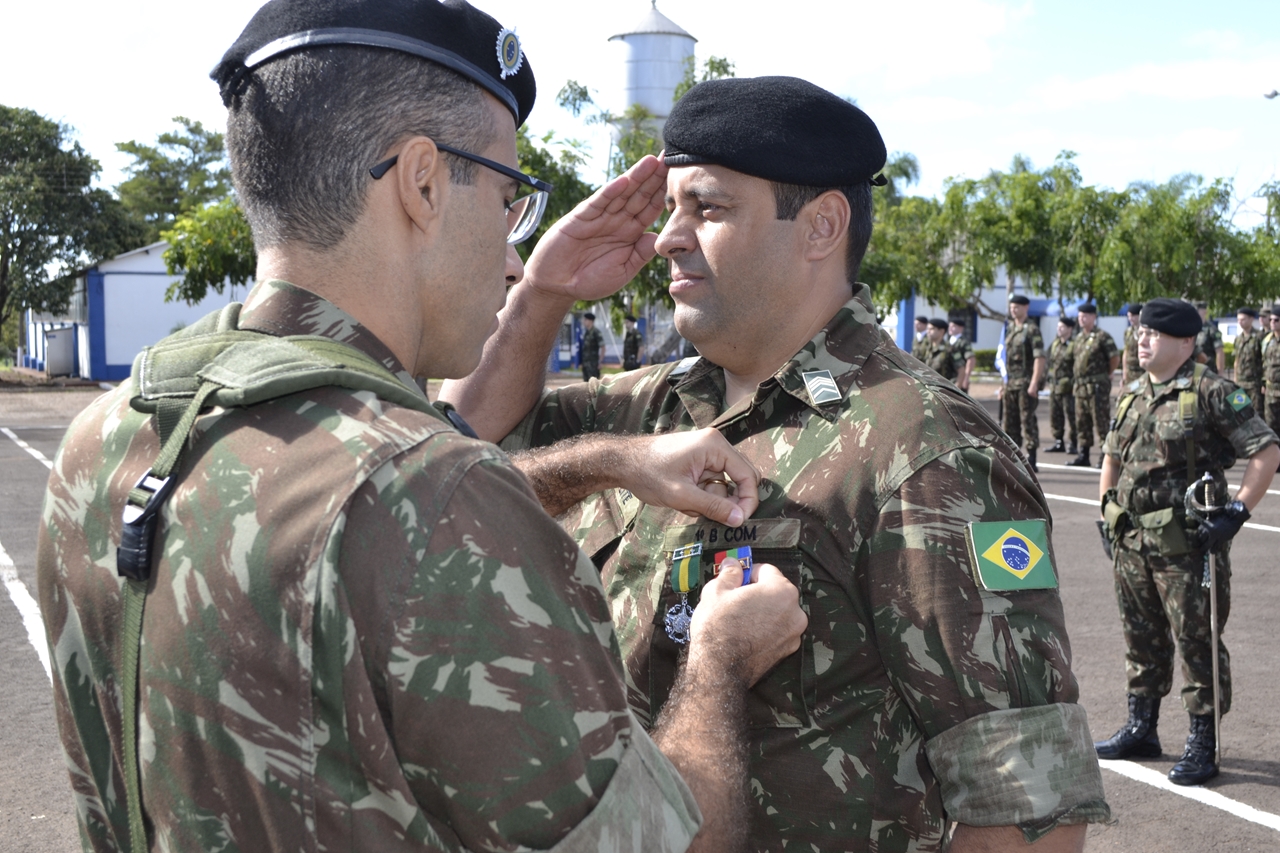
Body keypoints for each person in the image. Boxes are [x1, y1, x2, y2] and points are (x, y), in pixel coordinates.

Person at [34, 3, 809, 851]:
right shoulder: (436, 499)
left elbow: (368, 509)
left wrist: (609, 453)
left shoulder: (109, 438)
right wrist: (717, 668)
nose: (515, 255)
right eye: (511, 201)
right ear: (425, 182)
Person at [443, 75, 1109, 852]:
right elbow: (462, 456)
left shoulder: (924, 445)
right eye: (670, 210)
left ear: (821, 225)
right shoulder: (645, 409)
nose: (667, 238)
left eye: (709, 207)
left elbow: (1028, 810)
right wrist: (543, 292)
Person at [1095, 298, 1278, 785]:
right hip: (1133, 540)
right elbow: (1112, 455)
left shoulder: (1213, 391)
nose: (1142, 339)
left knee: (1197, 642)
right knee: (1142, 640)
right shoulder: (1132, 392)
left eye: (1154, 334)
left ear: (1185, 341)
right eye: (1141, 333)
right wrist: (1106, 511)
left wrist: (1237, 512)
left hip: (1187, 546)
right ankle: (1142, 726)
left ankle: (1204, 740)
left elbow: (1266, 450)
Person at [1067, 303, 1119, 468]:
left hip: (1097, 387)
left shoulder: (1102, 336)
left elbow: (1114, 357)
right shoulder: (1078, 338)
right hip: (1081, 387)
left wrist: (1107, 374)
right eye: (1080, 316)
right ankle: (1084, 454)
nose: (1081, 319)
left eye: (1085, 316)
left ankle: (1105, 457)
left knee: (1101, 421)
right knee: (1082, 422)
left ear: (1093, 317)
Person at [1001, 294, 1045, 471]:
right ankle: (1013, 457)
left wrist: (1034, 382)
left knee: (1027, 420)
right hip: (1010, 384)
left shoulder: (1032, 329)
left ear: (1026, 307)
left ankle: (1032, 457)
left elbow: (1039, 357)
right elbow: (1006, 360)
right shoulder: (1010, 328)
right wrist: (1002, 384)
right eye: (1012, 306)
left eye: (1017, 306)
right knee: (1009, 422)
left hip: (1025, 384)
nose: (1013, 309)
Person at [1047, 316, 1079, 454]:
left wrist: (1074, 383)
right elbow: (1050, 364)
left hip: (1068, 388)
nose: (1059, 329)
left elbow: (1078, 367)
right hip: (1055, 387)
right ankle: (1058, 442)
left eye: (1062, 327)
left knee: (1072, 416)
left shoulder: (1074, 345)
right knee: (1055, 415)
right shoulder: (1055, 344)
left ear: (1070, 329)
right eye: (1058, 327)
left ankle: (1073, 443)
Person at [1233, 307, 1264, 405]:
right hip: (1240, 384)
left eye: (1243, 319)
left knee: (1255, 414)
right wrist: (1235, 379)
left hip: (1254, 384)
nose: (1240, 322)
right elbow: (1236, 360)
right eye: (1238, 320)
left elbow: (1265, 361)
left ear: (1251, 319)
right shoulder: (1238, 339)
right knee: (1239, 412)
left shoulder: (1260, 337)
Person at [923, 316, 962, 382]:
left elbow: (961, 370)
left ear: (941, 331)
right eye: (927, 329)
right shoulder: (927, 348)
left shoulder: (950, 349)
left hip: (945, 389)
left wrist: (956, 389)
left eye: (931, 329)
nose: (928, 331)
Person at [1193, 300, 1225, 373]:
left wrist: (1220, 374)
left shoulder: (1212, 330)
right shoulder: (1191, 329)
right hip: (1193, 371)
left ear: (1205, 312)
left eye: (1198, 311)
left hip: (1208, 371)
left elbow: (1219, 352)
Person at [948, 318, 976, 393]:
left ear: (960, 328)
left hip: (958, 378)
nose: (950, 328)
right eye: (949, 326)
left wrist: (966, 378)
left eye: (953, 326)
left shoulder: (963, 342)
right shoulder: (948, 342)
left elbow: (971, 359)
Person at [1265, 304, 1280, 438]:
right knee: (1270, 427)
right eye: (1271, 320)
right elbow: (1266, 364)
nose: (1272, 323)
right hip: (1270, 392)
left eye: (1276, 320)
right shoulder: (1269, 341)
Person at [1121, 303, 1143, 386]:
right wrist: (1124, 373)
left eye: (1133, 316)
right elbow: (1126, 352)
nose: (1130, 319)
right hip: (1130, 373)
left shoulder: (1148, 332)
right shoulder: (1128, 332)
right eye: (1129, 316)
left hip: (1143, 372)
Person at [580, 310, 604, 380]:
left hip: (593, 365)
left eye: (586, 320)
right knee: (586, 386)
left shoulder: (596, 332)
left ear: (591, 321)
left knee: (593, 386)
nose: (584, 321)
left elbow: (603, 347)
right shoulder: (586, 333)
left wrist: (600, 361)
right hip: (586, 364)